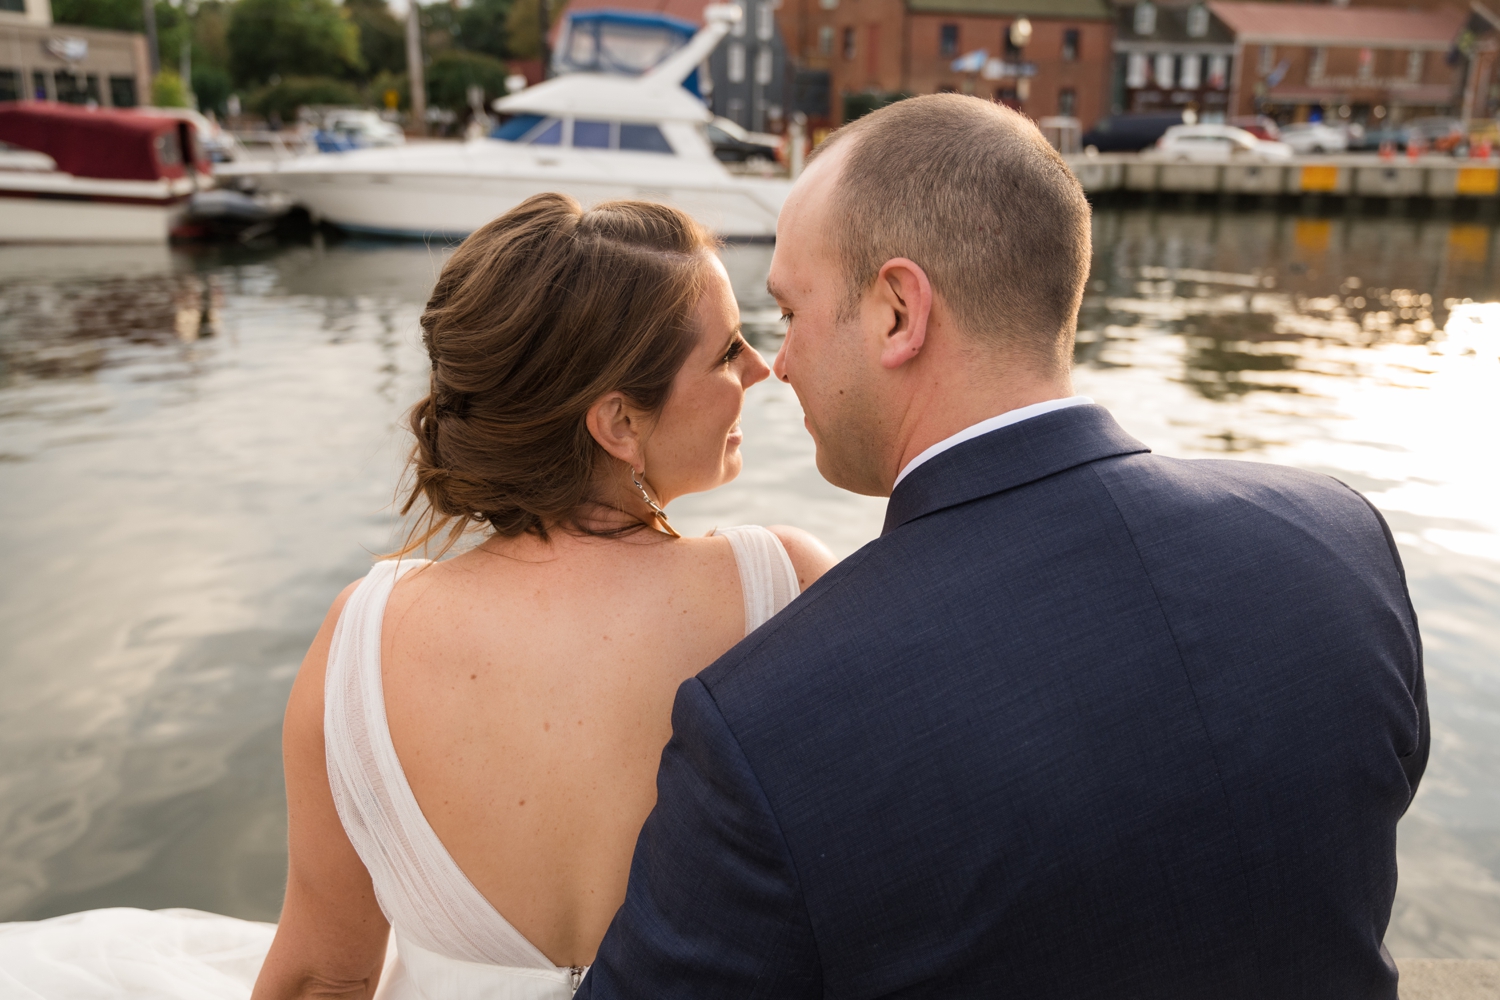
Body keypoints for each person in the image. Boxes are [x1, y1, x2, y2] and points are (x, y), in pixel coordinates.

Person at [576, 94, 1428, 998]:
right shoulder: (1341, 543)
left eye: (790, 312)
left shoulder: (769, 717)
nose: (778, 362)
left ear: (898, 311)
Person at [0, 194, 834, 999]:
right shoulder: (784, 589)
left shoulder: (363, 635)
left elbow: (325, 976)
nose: (763, 367)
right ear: (617, 423)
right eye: (728, 351)